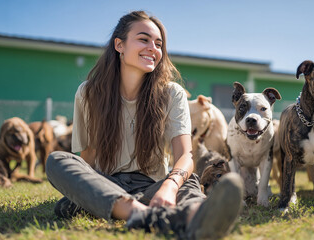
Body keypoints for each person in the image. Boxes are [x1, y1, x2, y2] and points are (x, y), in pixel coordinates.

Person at [46, 10, 243, 239]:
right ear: (119, 45)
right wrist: (83, 187)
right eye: (143, 39)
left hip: (153, 185)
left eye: (158, 44)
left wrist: (170, 186)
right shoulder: (89, 93)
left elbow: (186, 155)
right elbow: (88, 155)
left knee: (188, 185)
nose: (153, 48)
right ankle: (149, 215)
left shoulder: (172, 93)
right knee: (57, 160)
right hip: (106, 182)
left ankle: (194, 216)